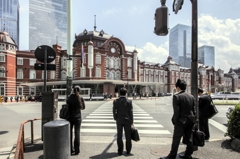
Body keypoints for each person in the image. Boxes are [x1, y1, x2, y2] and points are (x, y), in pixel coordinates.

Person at [160, 79, 195, 159]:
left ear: (178, 88)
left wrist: (175, 121)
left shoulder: (176, 96)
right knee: (189, 137)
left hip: (181, 121)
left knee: (176, 138)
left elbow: (176, 111)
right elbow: (194, 110)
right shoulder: (191, 96)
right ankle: (188, 154)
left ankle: (172, 155)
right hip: (190, 119)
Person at [112, 87, 134, 155]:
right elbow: (131, 112)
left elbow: (114, 111)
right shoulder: (129, 101)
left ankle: (120, 150)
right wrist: (132, 120)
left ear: (119, 93)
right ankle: (128, 150)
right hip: (127, 120)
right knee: (128, 136)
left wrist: (115, 118)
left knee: (119, 135)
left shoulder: (116, 101)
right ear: (126, 93)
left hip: (119, 120)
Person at [67, 85, 85, 155]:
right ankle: (77, 150)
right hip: (78, 118)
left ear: (73, 91)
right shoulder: (80, 98)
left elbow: (67, 106)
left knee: (70, 133)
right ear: (79, 91)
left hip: (70, 117)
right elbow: (83, 108)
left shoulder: (69, 97)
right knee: (77, 133)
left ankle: (70, 149)